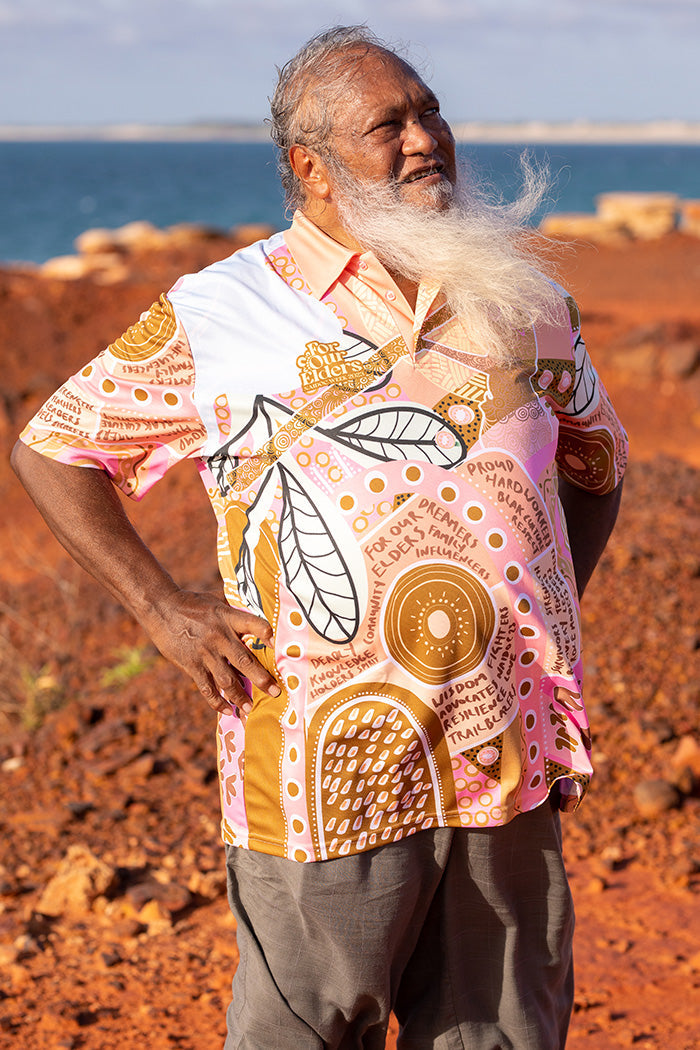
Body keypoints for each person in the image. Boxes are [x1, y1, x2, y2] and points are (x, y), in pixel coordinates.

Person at [12, 25, 627, 1050]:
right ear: (312, 167)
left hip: (504, 756)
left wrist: (542, 609)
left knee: (505, 1032)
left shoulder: (521, 297)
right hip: (322, 764)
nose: (426, 137)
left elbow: (594, 463)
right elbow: (54, 447)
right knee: (306, 1031)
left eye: (429, 110)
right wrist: (162, 610)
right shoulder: (222, 311)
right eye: (389, 124)